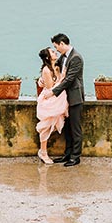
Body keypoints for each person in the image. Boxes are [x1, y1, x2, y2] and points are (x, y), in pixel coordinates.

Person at [49, 33, 84, 167]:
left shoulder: (76, 58)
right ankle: (67, 154)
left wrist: (53, 92)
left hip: (75, 98)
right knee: (67, 128)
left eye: (56, 46)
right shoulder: (64, 57)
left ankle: (75, 157)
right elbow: (53, 67)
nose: (56, 49)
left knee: (75, 128)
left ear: (62, 43)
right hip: (65, 99)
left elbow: (69, 79)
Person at [35, 47, 68, 164]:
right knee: (46, 126)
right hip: (49, 100)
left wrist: (60, 76)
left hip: (56, 99)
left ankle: (43, 151)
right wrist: (63, 79)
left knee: (53, 125)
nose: (55, 53)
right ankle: (43, 152)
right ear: (48, 57)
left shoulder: (56, 67)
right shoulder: (46, 70)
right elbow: (50, 88)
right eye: (52, 52)